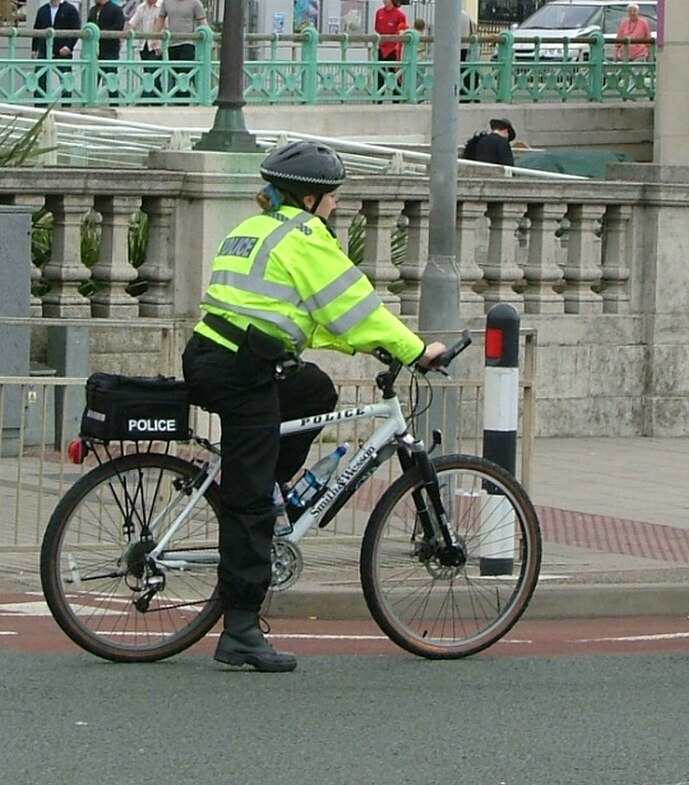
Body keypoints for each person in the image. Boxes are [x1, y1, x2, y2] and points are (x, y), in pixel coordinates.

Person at [182, 141, 447, 672]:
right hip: (242, 371)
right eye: (331, 199)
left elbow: (305, 315)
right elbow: (357, 304)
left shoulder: (252, 229)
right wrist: (415, 350)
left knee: (314, 390)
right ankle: (240, 631)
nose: (334, 208)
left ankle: (272, 487)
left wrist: (365, 345)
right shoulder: (305, 237)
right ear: (309, 199)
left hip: (217, 355)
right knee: (248, 500)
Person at [154, 0, 207, 101]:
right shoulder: (166, 2)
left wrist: (207, 38)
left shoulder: (195, 3)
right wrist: (154, 37)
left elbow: (202, 21)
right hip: (172, 43)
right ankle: (178, 100)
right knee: (174, 73)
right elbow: (161, 19)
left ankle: (185, 99)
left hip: (188, 42)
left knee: (184, 72)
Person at [31, 0, 81, 104]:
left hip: (62, 50)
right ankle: (40, 105)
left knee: (66, 79)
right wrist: (34, 48)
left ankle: (66, 105)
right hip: (45, 50)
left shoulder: (70, 9)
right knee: (40, 78)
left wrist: (68, 47)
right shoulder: (43, 10)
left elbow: (76, 29)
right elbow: (37, 30)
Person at [87, 0, 125, 105]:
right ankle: (91, 102)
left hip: (110, 49)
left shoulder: (115, 10)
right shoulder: (93, 10)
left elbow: (118, 27)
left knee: (111, 76)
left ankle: (114, 102)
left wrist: (101, 33)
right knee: (93, 77)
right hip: (95, 50)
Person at [126, 0, 163, 100]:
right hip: (144, 45)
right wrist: (124, 36)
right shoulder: (142, 7)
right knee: (149, 72)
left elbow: (168, 25)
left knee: (151, 72)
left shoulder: (163, 6)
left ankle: (145, 99)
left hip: (158, 46)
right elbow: (132, 23)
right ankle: (158, 99)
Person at [373, 0, 407, 95]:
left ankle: (396, 98)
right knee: (380, 74)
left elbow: (402, 31)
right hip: (381, 48)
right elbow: (377, 28)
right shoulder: (379, 12)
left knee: (395, 74)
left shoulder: (400, 15)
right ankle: (379, 97)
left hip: (393, 49)